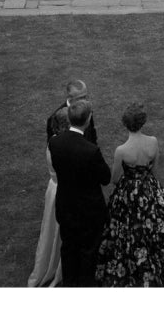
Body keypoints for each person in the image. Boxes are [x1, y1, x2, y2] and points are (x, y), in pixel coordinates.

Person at [94, 103, 164, 287]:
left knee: (126, 229)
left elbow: (114, 178)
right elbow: (156, 168)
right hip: (150, 188)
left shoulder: (121, 150)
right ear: (142, 122)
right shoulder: (153, 141)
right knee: (157, 224)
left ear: (125, 124)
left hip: (128, 193)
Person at [48, 99, 111, 287]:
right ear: (88, 119)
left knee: (68, 248)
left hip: (65, 206)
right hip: (89, 211)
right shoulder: (90, 151)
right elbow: (106, 178)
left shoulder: (55, 143)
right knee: (89, 252)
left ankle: (69, 283)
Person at [27, 105, 68, 287]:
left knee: (51, 227)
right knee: (59, 228)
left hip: (53, 188)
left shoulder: (52, 142)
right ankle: (58, 265)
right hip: (62, 189)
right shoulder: (61, 147)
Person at [47, 79, 96, 144]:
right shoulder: (54, 118)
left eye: (85, 97)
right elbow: (53, 145)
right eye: (81, 98)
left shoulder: (87, 108)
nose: (84, 101)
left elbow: (91, 132)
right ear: (69, 98)